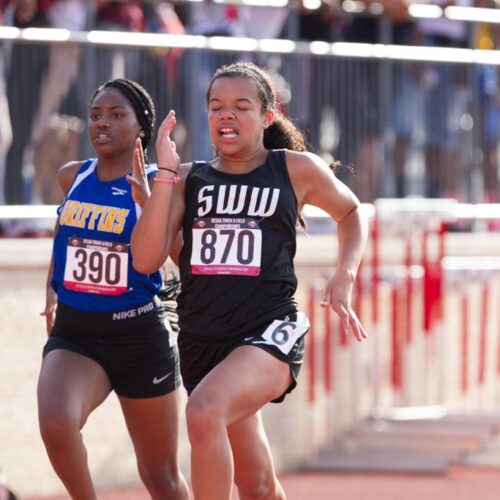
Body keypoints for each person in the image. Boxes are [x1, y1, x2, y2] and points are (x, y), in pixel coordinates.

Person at [131, 61, 368, 500]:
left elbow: (351, 212)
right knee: (257, 483)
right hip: (203, 338)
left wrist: (344, 274)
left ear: (267, 116)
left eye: (241, 106)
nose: (227, 114)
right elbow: (147, 260)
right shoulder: (188, 179)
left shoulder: (294, 169)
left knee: (204, 414)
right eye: (217, 106)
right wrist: (163, 175)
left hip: (267, 330)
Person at [37, 78, 189, 500]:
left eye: (116, 115)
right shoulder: (73, 175)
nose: (102, 123)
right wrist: (53, 287)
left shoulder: (164, 184)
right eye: (95, 115)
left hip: (139, 336)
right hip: (76, 333)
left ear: (141, 127)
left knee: (161, 477)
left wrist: (148, 205)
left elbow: (181, 257)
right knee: (55, 422)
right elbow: (65, 227)